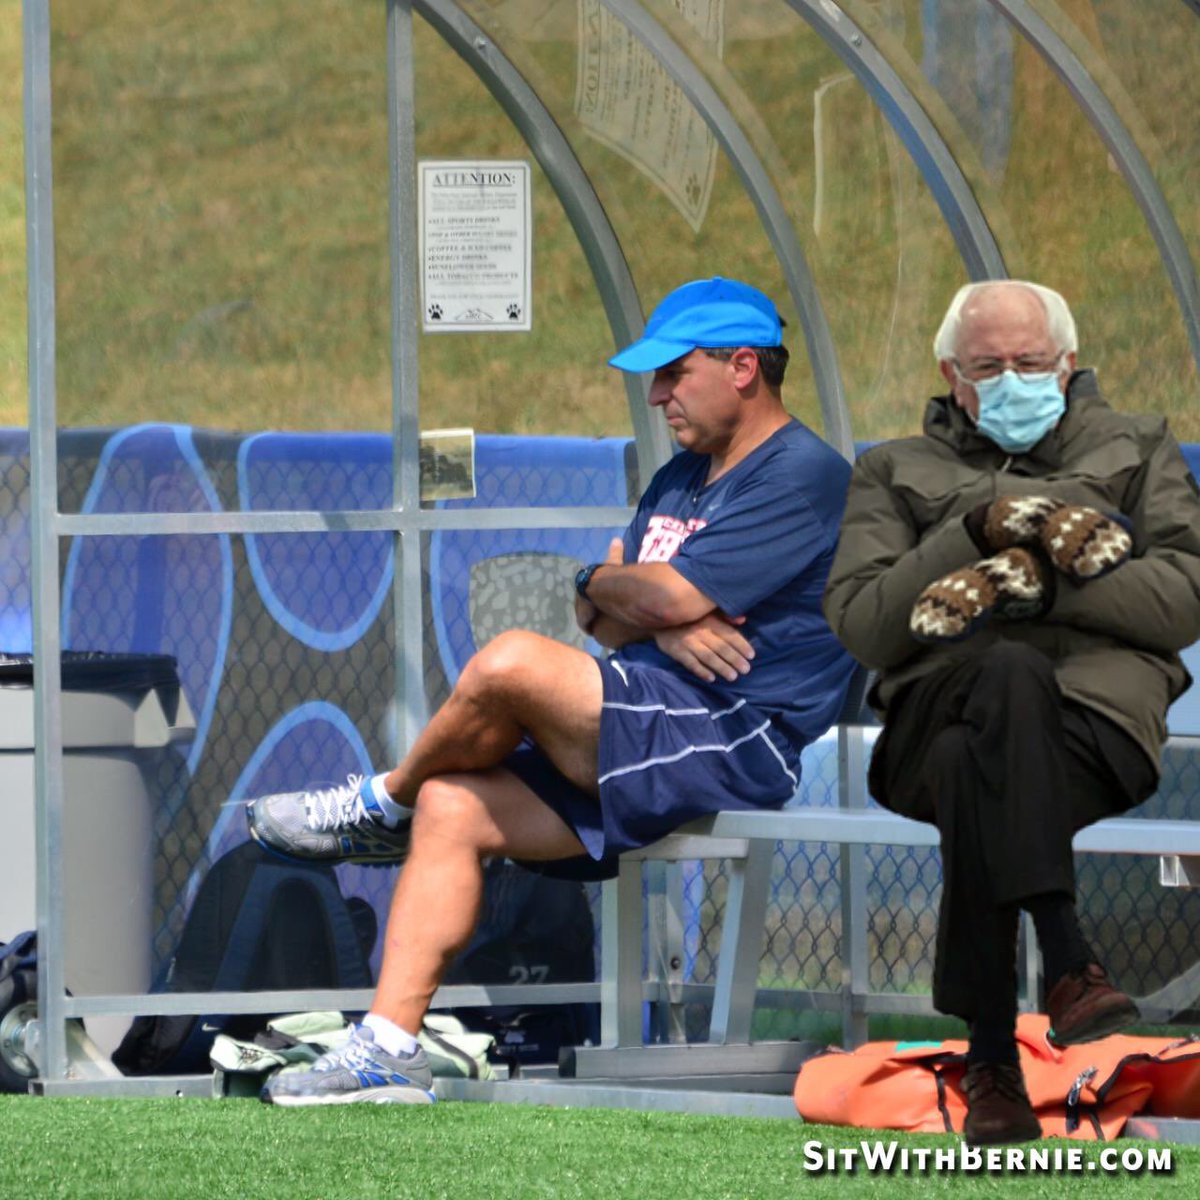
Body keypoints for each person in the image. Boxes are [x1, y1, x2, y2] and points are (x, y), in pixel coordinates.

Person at [246, 276, 857, 1105]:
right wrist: (625, 593)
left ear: (744, 367)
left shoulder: (803, 472)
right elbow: (602, 616)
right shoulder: (679, 476)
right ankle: (389, 1047)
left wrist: (642, 599)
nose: (657, 394)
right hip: (649, 710)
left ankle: (383, 801)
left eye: (675, 374)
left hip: (733, 732)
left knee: (509, 664)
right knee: (455, 806)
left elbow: (651, 597)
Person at [822, 279, 1200, 1145]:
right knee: (997, 685)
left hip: (1094, 728)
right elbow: (865, 622)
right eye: (988, 366)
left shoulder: (1139, 446)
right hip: (931, 714)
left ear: (1067, 364)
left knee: (982, 746)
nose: (1012, 378)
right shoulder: (891, 468)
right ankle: (1068, 956)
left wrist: (1035, 583)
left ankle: (991, 1059)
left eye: (1030, 363)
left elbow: (1183, 601)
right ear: (952, 375)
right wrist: (975, 532)